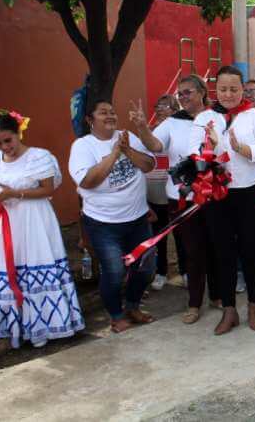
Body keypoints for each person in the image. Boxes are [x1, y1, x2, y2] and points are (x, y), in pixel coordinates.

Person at [0, 112, 85, 348]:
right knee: (1, 268)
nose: (4, 147)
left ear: (18, 133)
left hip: (35, 219)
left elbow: (47, 189)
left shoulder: (39, 157)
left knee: (34, 264)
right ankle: (8, 325)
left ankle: (43, 325)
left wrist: (14, 193)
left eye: (8, 140)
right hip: (6, 221)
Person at [189, 65, 255, 335]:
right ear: (215, 89)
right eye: (223, 89)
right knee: (222, 250)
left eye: (234, 89)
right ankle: (229, 309)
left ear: (242, 89)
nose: (228, 94)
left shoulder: (254, 115)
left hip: (250, 190)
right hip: (217, 192)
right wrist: (211, 147)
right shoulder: (205, 118)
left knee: (251, 248)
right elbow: (194, 154)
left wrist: (240, 149)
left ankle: (254, 304)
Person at [130, 75, 221, 324]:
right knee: (193, 250)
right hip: (181, 198)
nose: (183, 97)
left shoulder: (217, 116)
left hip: (214, 194)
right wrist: (142, 127)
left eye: (188, 92)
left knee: (216, 246)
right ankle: (194, 303)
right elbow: (155, 145)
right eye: (180, 94)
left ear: (202, 92)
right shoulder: (173, 122)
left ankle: (217, 295)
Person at [68, 100, 156, 333]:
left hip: (138, 219)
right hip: (103, 224)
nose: (110, 116)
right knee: (114, 272)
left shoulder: (128, 137)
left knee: (145, 267)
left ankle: (133, 306)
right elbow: (88, 181)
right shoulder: (83, 146)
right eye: (103, 113)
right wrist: (115, 153)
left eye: (112, 112)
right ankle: (116, 316)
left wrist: (127, 150)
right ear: (90, 120)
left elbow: (148, 165)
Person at [144, 94, 186, 292]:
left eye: (165, 106)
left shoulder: (179, 131)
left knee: (180, 235)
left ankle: (185, 271)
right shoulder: (149, 133)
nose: (160, 109)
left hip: (174, 192)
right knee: (158, 235)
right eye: (157, 106)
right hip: (153, 193)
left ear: (175, 110)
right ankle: (160, 273)